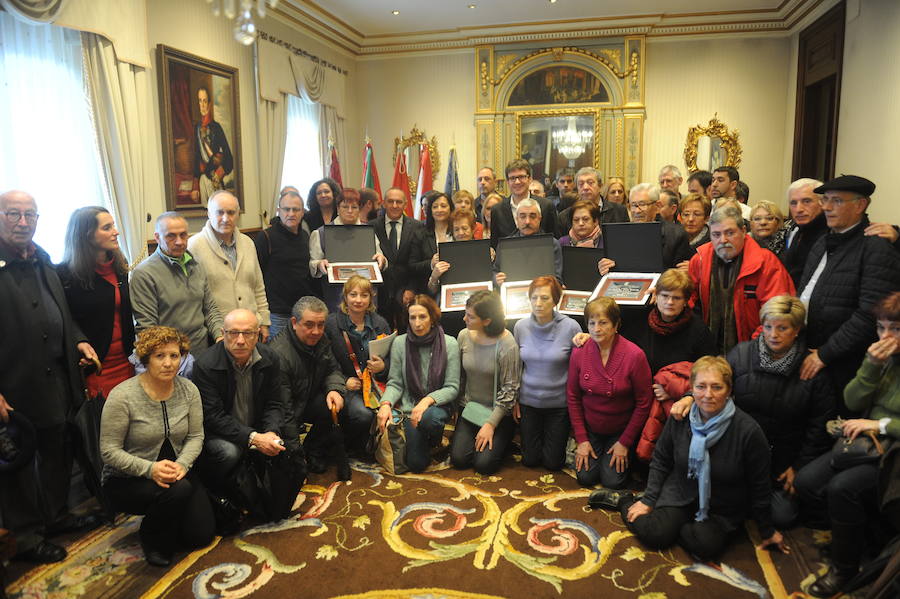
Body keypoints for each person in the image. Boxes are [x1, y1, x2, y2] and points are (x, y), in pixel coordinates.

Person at [671, 296, 836, 529]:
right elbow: (712, 379)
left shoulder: (811, 368)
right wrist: (689, 396)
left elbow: (819, 425)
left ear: (797, 330)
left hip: (783, 457)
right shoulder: (742, 354)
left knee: (782, 516)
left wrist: (799, 466)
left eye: (782, 328)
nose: (773, 334)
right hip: (738, 447)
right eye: (768, 326)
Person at [0, 190, 101, 563]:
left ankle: (56, 516)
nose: (23, 222)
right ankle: (26, 538)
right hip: (13, 386)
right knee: (19, 465)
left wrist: (79, 341)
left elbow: (61, 314)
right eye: (13, 214)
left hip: (57, 381)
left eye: (30, 215)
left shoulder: (42, 259)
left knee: (58, 451)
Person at [617, 356, 788, 561]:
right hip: (680, 492)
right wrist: (648, 500)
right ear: (691, 389)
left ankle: (678, 528)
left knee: (705, 546)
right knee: (655, 534)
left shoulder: (748, 431)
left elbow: (760, 484)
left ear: (729, 390)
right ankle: (623, 501)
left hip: (722, 506)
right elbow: (661, 459)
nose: (708, 395)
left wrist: (766, 529)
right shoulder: (680, 416)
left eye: (717, 387)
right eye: (701, 387)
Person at [793, 291, 900, 597]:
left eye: (895, 329)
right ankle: (860, 539)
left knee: (844, 488)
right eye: (881, 328)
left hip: (893, 450)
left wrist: (880, 424)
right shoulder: (884, 359)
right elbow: (853, 399)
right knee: (807, 482)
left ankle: (845, 569)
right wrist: (870, 365)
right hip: (868, 443)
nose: (886, 336)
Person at [100, 326, 213, 567]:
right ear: (146, 359)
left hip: (177, 473)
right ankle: (151, 537)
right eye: (159, 356)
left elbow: (196, 436)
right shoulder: (123, 395)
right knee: (180, 492)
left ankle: (169, 516)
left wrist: (183, 464)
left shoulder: (189, 389)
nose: (168, 363)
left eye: (174, 355)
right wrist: (150, 469)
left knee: (201, 536)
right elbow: (108, 450)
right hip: (127, 479)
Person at [796, 175, 900, 403]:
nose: (828, 208)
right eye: (825, 200)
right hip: (811, 350)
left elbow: (869, 314)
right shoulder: (823, 241)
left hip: (843, 362)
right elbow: (805, 293)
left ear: (860, 205)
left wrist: (825, 353)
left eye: (837, 201)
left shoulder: (876, 246)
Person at [191, 309, 291, 496]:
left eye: (248, 333)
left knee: (287, 447)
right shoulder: (205, 365)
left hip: (257, 426)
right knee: (229, 453)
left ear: (258, 334)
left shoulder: (270, 358)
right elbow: (213, 417)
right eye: (233, 333)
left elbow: (275, 403)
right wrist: (253, 437)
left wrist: (271, 432)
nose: (240, 340)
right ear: (222, 334)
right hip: (219, 433)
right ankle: (219, 495)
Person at [688, 205, 795, 354]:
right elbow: (688, 299)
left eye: (730, 233)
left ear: (744, 231)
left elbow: (778, 314)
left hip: (755, 349)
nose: (723, 240)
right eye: (716, 234)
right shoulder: (699, 260)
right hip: (708, 349)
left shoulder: (766, 262)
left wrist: (751, 350)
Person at [567, 297, 652, 488]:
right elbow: (573, 397)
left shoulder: (635, 355)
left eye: (603, 322)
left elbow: (644, 403)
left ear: (616, 325)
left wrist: (625, 442)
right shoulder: (579, 353)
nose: (597, 329)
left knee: (612, 482)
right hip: (591, 429)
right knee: (585, 478)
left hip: (621, 429)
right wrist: (581, 439)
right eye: (592, 323)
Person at [58, 206, 135, 398]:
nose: (115, 232)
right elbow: (65, 319)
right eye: (107, 228)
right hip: (95, 367)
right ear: (86, 235)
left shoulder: (118, 266)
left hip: (127, 362)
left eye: (113, 225)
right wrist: (80, 344)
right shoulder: (65, 274)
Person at [377, 295, 460, 472]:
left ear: (432, 317)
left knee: (429, 419)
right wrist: (385, 404)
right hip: (410, 407)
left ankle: (433, 438)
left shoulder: (449, 343)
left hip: (438, 406)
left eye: (422, 317)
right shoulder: (400, 343)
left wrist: (426, 401)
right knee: (416, 464)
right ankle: (423, 440)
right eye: (412, 317)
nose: (417, 323)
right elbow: (395, 383)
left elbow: (452, 387)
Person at [269, 297, 349, 480]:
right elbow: (284, 411)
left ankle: (315, 450)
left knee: (335, 404)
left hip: (308, 399)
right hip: (286, 412)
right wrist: (295, 455)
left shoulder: (321, 339)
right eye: (309, 325)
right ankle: (302, 454)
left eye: (321, 325)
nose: (316, 331)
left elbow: (333, 369)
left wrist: (334, 389)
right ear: (294, 323)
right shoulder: (279, 355)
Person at [131, 212, 224, 356]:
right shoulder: (144, 273)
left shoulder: (196, 265)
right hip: (169, 356)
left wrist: (220, 337)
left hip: (202, 351)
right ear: (157, 238)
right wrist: (169, 358)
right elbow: (148, 329)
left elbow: (210, 309)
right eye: (171, 236)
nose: (179, 241)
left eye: (183, 235)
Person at [513, 276, 581, 470]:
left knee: (553, 464)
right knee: (530, 461)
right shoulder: (520, 326)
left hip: (558, 405)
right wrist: (515, 399)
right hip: (528, 403)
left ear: (555, 300)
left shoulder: (571, 327)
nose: (538, 303)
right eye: (534, 298)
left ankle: (562, 443)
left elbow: (577, 368)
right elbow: (518, 365)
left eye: (544, 298)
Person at [452, 291, 520, 475]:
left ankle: (505, 439)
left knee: (484, 465)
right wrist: (457, 409)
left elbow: (510, 390)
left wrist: (490, 424)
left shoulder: (507, 344)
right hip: (471, 407)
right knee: (459, 460)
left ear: (487, 320)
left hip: (497, 412)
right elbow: (459, 376)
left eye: (470, 316)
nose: (464, 318)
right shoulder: (464, 336)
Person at [188, 190, 271, 342]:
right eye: (219, 212)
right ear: (209, 213)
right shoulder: (194, 246)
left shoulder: (248, 243)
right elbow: (193, 297)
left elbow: (258, 286)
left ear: (238, 214)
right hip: (217, 333)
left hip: (250, 329)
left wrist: (264, 322)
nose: (226, 218)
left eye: (231, 213)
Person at [324, 276, 391, 457]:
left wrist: (382, 367)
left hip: (376, 384)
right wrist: (344, 381)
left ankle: (370, 445)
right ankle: (350, 444)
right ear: (345, 297)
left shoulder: (380, 323)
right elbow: (327, 361)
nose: (358, 300)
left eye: (364, 295)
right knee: (363, 415)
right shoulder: (331, 324)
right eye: (353, 294)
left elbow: (392, 359)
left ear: (371, 298)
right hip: (347, 386)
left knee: (398, 410)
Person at [309, 189, 388, 310]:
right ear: (338, 208)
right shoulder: (320, 233)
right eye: (345, 207)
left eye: (354, 207)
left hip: (366, 296)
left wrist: (381, 260)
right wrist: (320, 264)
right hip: (337, 296)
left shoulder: (368, 231)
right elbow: (313, 265)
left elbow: (379, 257)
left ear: (360, 208)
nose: (350, 211)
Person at [625, 269, 714, 375]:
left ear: (685, 301)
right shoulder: (639, 320)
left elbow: (707, 370)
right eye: (665, 296)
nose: (670, 302)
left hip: (681, 389)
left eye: (677, 298)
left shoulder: (698, 330)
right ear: (656, 295)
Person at [254, 188, 317, 338]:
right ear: (278, 211)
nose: (291, 213)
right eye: (286, 209)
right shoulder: (266, 237)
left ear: (303, 212)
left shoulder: (305, 236)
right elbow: (256, 277)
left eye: (296, 209)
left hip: (302, 311)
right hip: (276, 314)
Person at [373, 187, 429, 330]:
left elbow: (417, 262)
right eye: (390, 201)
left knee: (407, 329)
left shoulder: (418, 226)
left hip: (406, 288)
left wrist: (411, 288)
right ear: (383, 203)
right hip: (379, 290)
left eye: (399, 202)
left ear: (405, 204)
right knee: (382, 330)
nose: (395, 205)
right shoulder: (371, 226)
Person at [493, 198, 564, 285]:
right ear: (517, 219)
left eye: (532, 216)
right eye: (522, 216)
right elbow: (495, 272)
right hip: (513, 294)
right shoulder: (505, 245)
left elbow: (558, 280)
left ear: (539, 219)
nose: (527, 221)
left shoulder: (552, 244)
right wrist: (497, 279)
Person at [488, 159, 558, 246]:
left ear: (530, 179)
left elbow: (554, 239)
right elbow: (495, 244)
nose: (517, 182)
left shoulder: (546, 206)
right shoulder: (497, 210)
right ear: (508, 182)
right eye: (512, 178)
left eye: (521, 177)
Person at [626, 183, 694, 269]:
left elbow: (678, 274)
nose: (637, 211)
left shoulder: (677, 235)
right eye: (633, 205)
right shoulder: (623, 233)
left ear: (657, 206)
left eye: (642, 204)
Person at [779, 178, 827, 285]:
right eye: (793, 203)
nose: (799, 209)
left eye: (807, 201)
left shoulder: (833, 234)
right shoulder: (794, 230)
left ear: (822, 203)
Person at [193, 86, 234, 203]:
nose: (202, 105)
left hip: (214, 180)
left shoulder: (216, 127)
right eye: (200, 101)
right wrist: (195, 186)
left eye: (205, 101)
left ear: (209, 104)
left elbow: (229, 159)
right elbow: (196, 158)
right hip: (202, 181)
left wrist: (219, 174)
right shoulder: (197, 128)